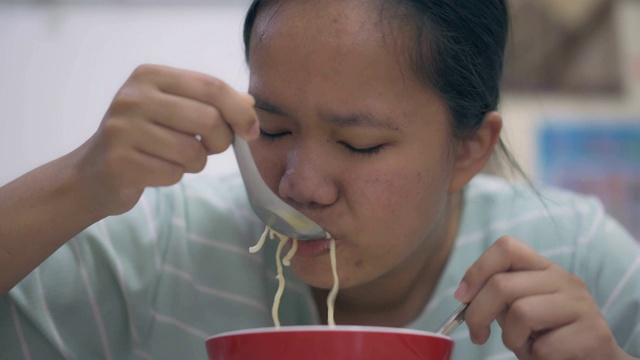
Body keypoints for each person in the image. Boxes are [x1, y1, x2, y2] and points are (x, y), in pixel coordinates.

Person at [1, 0, 639, 359]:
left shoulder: (578, 260)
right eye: (272, 130)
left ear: (470, 148)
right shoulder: (158, 250)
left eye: (359, 144)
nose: (301, 185)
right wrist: (78, 183)